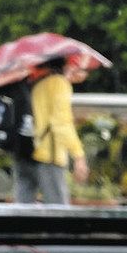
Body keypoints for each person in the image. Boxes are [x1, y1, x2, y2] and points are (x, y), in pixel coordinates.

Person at [30, 55, 89, 204]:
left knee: (23, 210)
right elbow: (61, 123)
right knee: (57, 209)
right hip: (48, 154)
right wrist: (79, 156)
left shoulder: (36, 83)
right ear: (65, 65)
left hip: (26, 151)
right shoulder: (59, 84)